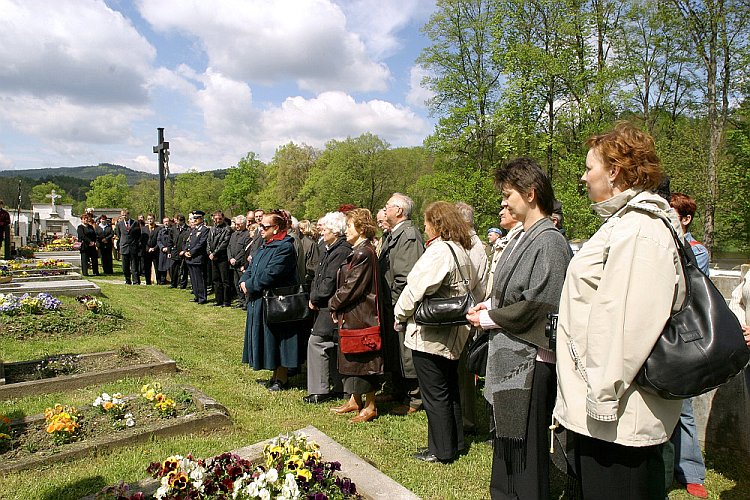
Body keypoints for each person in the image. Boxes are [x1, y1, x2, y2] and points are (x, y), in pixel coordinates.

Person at [553, 122, 686, 499]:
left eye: (589, 167)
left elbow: (625, 327)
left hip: (619, 419)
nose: (583, 177)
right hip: (608, 413)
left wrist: (601, 399)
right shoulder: (623, 224)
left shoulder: (639, 229)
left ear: (614, 171)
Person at [466, 158, 571, 498]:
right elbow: (514, 293)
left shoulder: (550, 241)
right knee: (508, 440)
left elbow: (542, 304)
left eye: (508, 194)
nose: (504, 202)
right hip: (512, 355)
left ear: (530, 193)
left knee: (526, 444)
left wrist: (490, 318)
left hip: (532, 363)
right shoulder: (525, 236)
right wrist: (492, 306)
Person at [394, 201, 479, 463]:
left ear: (438, 225)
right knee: (449, 388)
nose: (425, 226)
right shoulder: (462, 250)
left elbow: (416, 288)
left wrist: (399, 315)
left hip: (432, 333)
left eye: (428, 222)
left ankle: (440, 450)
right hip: (453, 331)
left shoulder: (439, 252)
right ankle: (455, 443)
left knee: (435, 393)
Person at [666, 192, 710, 498]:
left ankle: (692, 471)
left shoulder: (696, 250)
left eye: (672, 213)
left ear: (686, 218)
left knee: (684, 407)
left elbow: (692, 286)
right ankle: (666, 470)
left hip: (684, 335)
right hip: (661, 334)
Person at [329, 208, 385, 422]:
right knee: (352, 358)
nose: (345, 230)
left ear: (361, 229)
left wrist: (333, 303)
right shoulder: (359, 250)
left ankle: (370, 405)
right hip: (353, 313)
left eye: (350, 226)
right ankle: (354, 400)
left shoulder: (364, 252)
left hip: (362, 314)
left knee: (364, 358)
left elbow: (352, 287)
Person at [240, 210, 300, 391]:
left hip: (275, 302)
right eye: (260, 226)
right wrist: (243, 280)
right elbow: (252, 267)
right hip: (260, 301)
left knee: (278, 338)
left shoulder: (285, 247)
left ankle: (281, 378)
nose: (260, 229)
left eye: (264, 226)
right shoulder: (265, 245)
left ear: (276, 228)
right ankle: (273, 374)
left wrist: (250, 285)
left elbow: (272, 274)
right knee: (268, 338)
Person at [380, 193, 424, 415]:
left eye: (387, 206)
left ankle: (414, 398)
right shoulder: (393, 234)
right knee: (395, 349)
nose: (384, 209)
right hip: (392, 304)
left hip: (400, 305)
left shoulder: (408, 235)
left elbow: (405, 277)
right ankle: (398, 389)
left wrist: (397, 305)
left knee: (406, 351)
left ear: (399, 211)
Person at [304, 212, 351, 404]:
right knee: (332, 346)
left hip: (331, 305)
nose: (320, 231)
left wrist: (315, 297)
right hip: (325, 304)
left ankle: (319, 390)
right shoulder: (329, 248)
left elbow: (330, 280)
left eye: (324, 228)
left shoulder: (340, 250)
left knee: (316, 342)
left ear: (334, 230)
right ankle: (339, 388)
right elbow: (319, 275)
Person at [208, 210, 233, 307]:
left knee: (225, 281)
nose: (217, 220)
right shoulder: (212, 229)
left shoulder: (227, 229)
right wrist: (210, 252)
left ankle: (226, 301)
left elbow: (224, 243)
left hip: (222, 257)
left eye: (219, 219)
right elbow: (208, 242)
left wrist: (214, 253)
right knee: (216, 280)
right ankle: (218, 300)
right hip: (213, 258)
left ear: (223, 218)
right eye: (215, 219)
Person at [184, 211, 209, 304]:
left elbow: (201, 244)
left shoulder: (204, 229)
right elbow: (188, 242)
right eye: (193, 218)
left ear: (201, 219)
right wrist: (186, 251)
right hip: (190, 258)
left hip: (198, 257)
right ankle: (196, 295)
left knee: (199, 278)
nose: (194, 220)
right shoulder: (194, 230)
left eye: (196, 218)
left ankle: (202, 297)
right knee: (194, 279)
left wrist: (191, 252)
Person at [228, 215, 251, 309]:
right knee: (236, 283)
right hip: (233, 264)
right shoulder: (234, 234)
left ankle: (246, 302)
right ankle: (241, 301)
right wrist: (230, 258)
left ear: (244, 224)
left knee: (243, 283)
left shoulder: (247, 235)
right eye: (235, 224)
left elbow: (244, 251)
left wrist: (236, 260)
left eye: (238, 224)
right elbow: (229, 247)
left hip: (241, 264)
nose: (236, 226)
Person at [116, 209, 141, 285]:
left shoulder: (135, 223)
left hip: (133, 247)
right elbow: (119, 235)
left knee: (134, 266)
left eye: (125, 215)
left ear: (128, 215)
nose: (124, 216)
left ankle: (136, 281)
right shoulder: (119, 224)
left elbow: (138, 234)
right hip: (124, 247)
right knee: (125, 267)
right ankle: (127, 280)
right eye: (123, 215)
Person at [170, 214, 190, 289]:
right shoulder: (174, 228)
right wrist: (170, 250)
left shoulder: (187, 229)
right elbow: (170, 239)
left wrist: (184, 250)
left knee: (184, 269)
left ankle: (183, 284)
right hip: (175, 251)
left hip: (183, 251)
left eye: (178, 221)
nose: (177, 222)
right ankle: (173, 283)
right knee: (174, 268)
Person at [141, 214, 158, 285]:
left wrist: (154, 248)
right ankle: (148, 281)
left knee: (157, 267)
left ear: (154, 219)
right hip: (147, 251)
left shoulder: (158, 228)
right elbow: (142, 241)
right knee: (147, 267)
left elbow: (159, 240)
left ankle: (158, 281)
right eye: (148, 219)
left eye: (151, 218)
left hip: (156, 251)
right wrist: (148, 249)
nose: (150, 220)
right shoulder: (144, 229)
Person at [156, 217, 173, 285]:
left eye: (167, 221)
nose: (166, 223)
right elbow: (158, 240)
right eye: (165, 221)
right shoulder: (161, 231)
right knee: (162, 265)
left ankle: (172, 280)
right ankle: (163, 280)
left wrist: (168, 248)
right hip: (162, 251)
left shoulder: (172, 230)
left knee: (170, 266)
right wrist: (162, 247)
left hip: (170, 251)